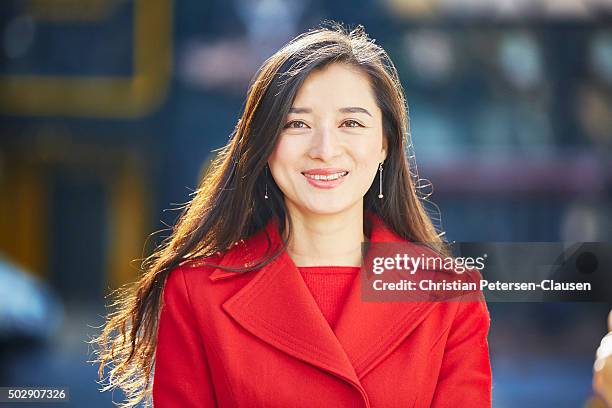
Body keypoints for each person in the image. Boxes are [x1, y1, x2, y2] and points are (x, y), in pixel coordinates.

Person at [93, 23, 492, 407]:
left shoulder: (449, 295)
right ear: (266, 144)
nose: (324, 148)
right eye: (297, 124)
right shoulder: (195, 292)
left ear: (386, 143)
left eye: (351, 122)